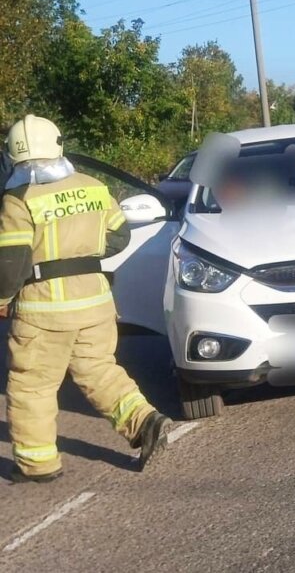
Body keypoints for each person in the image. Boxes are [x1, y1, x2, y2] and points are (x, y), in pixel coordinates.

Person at [0, 115, 171, 483]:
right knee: (98, 369)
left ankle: (37, 464)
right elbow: (119, 237)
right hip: (95, 302)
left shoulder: (18, 201)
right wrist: (83, 253)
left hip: (44, 309)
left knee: (32, 384)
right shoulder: (93, 187)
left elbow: (11, 265)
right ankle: (144, 422)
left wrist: (3, 297)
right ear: (58, 145)